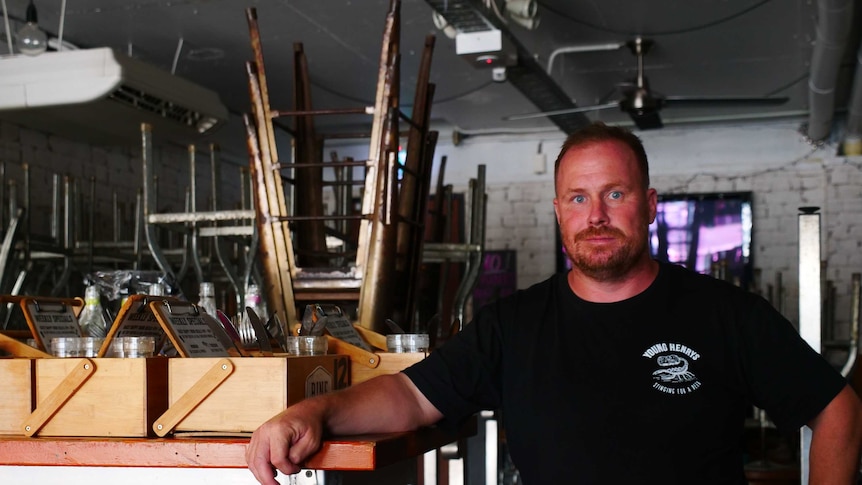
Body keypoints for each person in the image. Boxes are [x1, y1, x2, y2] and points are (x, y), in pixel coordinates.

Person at [246, 122, 862, 484]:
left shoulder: (726, 315)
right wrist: (317, 412)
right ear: (558, 213)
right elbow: (410, 397)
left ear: (649, 206)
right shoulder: (514, 326)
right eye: (577, 199)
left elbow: (837, 408)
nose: (595, 216)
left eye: (614, 194)